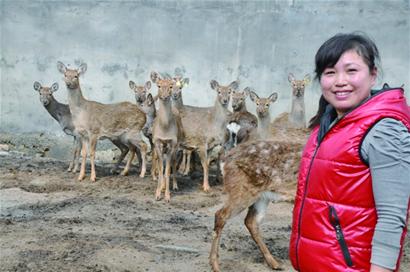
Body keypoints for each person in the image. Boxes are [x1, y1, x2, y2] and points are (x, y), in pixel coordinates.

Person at [289, 32, 410, 272]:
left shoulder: (384, 131)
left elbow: (391, 218)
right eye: (330, 72)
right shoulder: (329, 124)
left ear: (373, 75)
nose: (340, 81)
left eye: (351, 71)